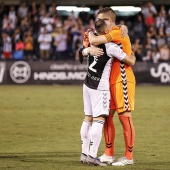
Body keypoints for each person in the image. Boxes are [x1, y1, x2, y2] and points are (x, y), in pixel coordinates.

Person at [79, 19, 136, 166]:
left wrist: (87, 49)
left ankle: (84, 153)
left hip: (87, 84)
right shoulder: (110, 46)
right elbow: (129, 60)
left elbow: (82, 51)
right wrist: (132, 56)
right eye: (110, 25)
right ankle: (92, 156)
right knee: (99, 120)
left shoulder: (91, 41)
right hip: (100, 87)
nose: (113, 27)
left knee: (88, 119)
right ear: (105, 31)